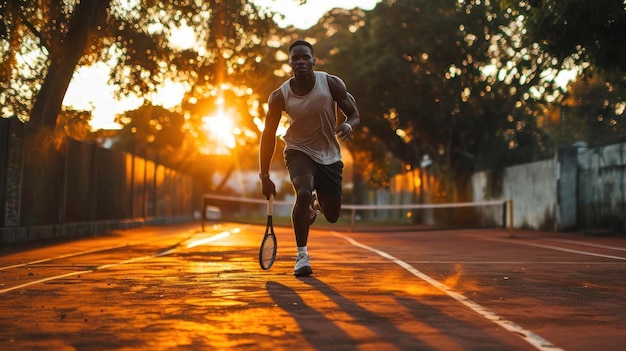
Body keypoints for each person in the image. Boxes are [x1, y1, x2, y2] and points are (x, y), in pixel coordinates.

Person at [259, 39, 360, 277]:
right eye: (296, 58)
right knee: (303, 191)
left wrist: (348, 124)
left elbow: (354, 113)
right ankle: (302, 256)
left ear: (314, 61)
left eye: (306, 57)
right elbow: (268, 135)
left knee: (332, 215)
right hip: (298, 150)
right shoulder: (279, 96)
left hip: (329, 155)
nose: (301, 62)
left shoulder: (332, 84)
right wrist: (264, 175)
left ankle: (314, 207)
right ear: (290, 63)